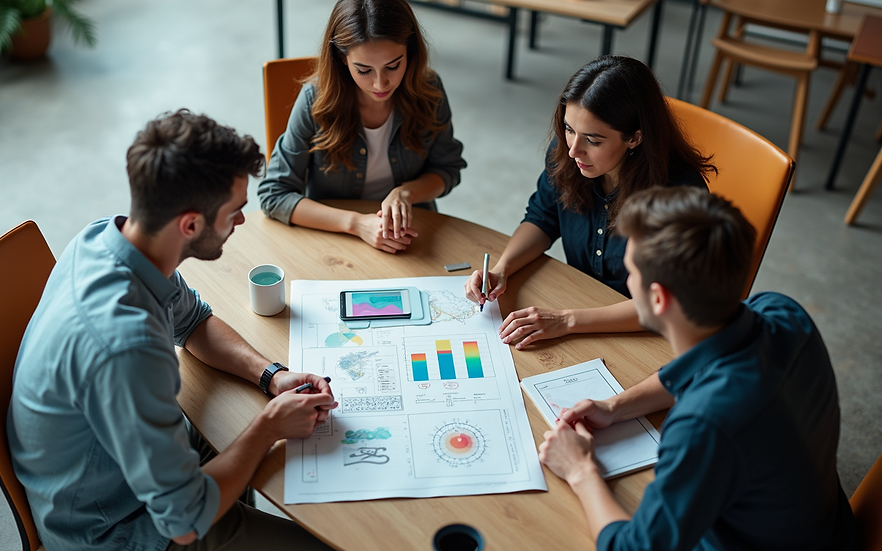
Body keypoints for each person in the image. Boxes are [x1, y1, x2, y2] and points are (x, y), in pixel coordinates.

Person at [8, 110, 337, 551]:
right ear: (191, 225)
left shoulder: (110, 238)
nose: (242, 221)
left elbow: (193, 322)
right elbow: (183, 520)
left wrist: (271, 376)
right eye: (234, 211)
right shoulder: (128, 346)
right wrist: (268, 427)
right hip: (117, 528)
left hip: (132, 474)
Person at [538, 186, 857, 551]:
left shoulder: (703, 425)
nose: (627, 281)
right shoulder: (782, 310)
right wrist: (615, 407)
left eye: (631, 271)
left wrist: (580, 469)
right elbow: (703, 365)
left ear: (658, 298)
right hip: (824, 524)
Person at [465, 55, 714, 349]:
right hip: (582, 303)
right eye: (569, 129)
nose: (573, 150)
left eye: (593, 141)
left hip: (646, 337)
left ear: (634, 138)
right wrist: (502, 269)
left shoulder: (679, 194)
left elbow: (666, 301)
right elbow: (542, 218)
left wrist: (567, 321)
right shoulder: (568, 155)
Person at [257, 0, 466, 254]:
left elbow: (447, 168)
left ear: (410, 50)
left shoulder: (429, 91)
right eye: (364, 70)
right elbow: (274, 194)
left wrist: (406, 193)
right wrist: (356, 224)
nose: (380, 84)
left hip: (408, 237)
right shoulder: (315, 100)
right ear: (342, 59)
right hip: (335, 241)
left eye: (393, 66)